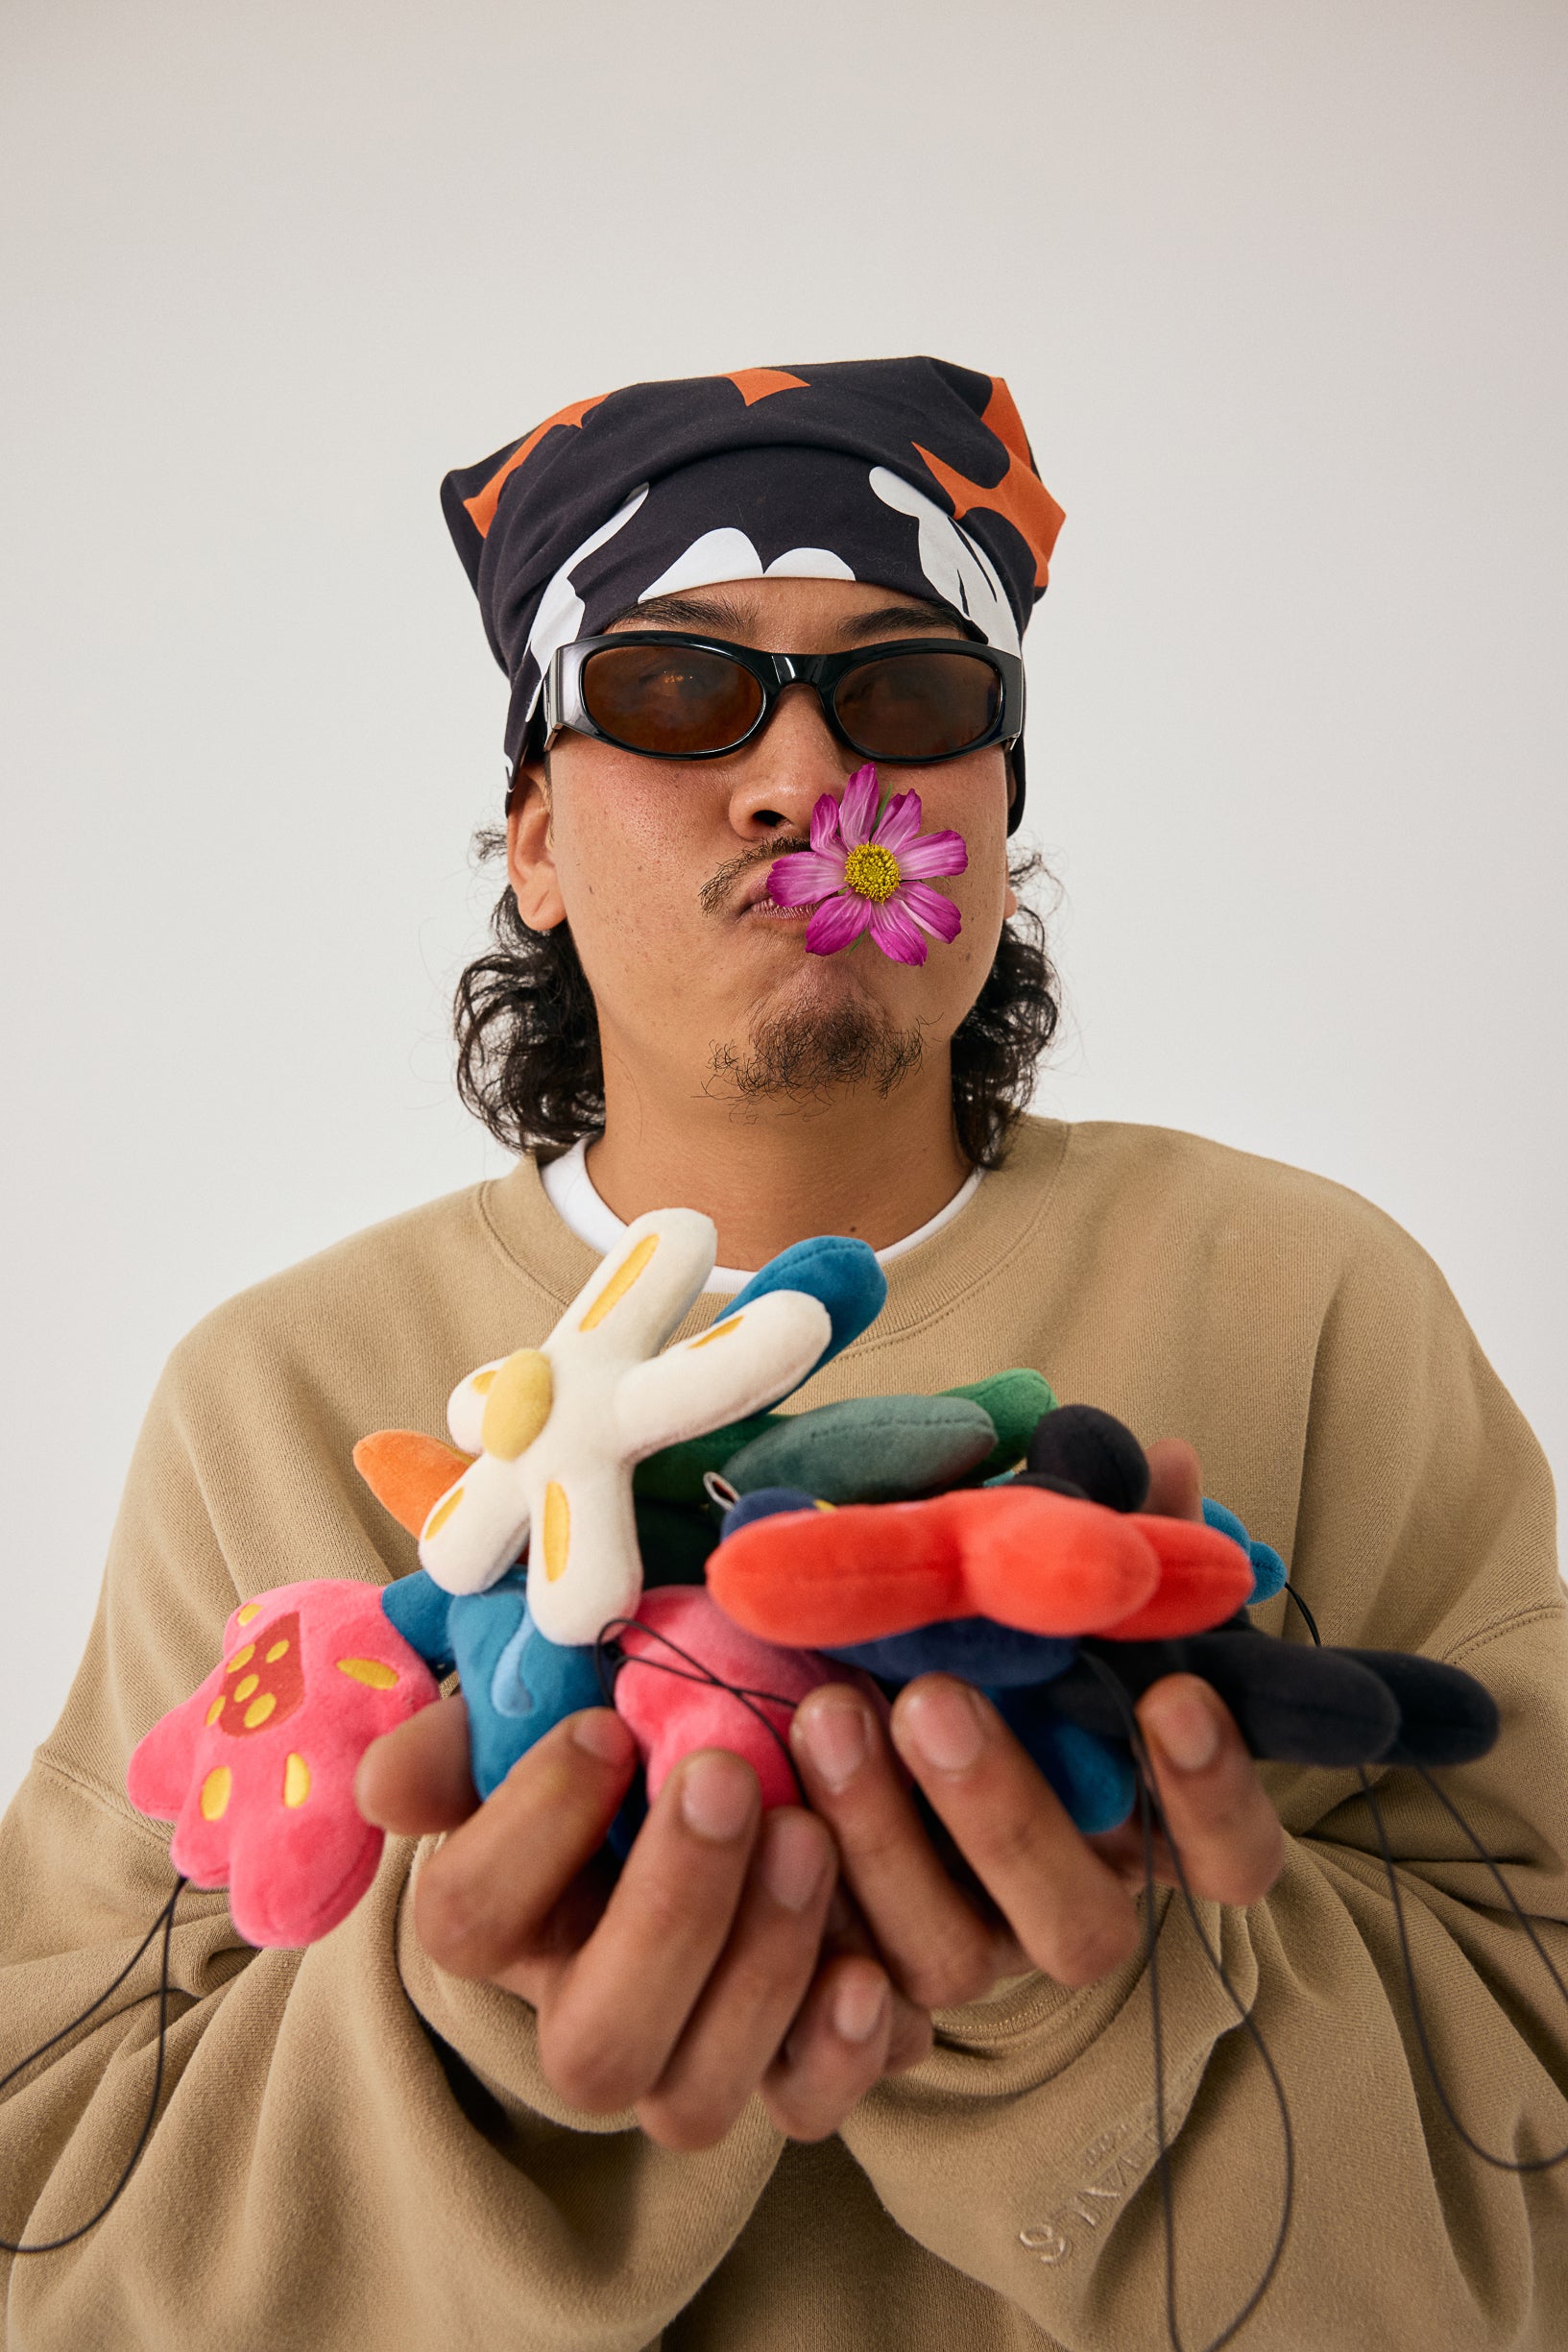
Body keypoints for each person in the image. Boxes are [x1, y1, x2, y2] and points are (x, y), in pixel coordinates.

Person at [0, 357, 1563, 2351]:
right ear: (533, 838)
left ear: (995, 812)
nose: (805, 777)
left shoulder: (1312, 1304)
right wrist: (474, 2032)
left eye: (904, 696)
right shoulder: (273, 1397)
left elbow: (1529, 2167)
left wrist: (1086, 2013)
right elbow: (60, 2217)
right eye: (675, 690)